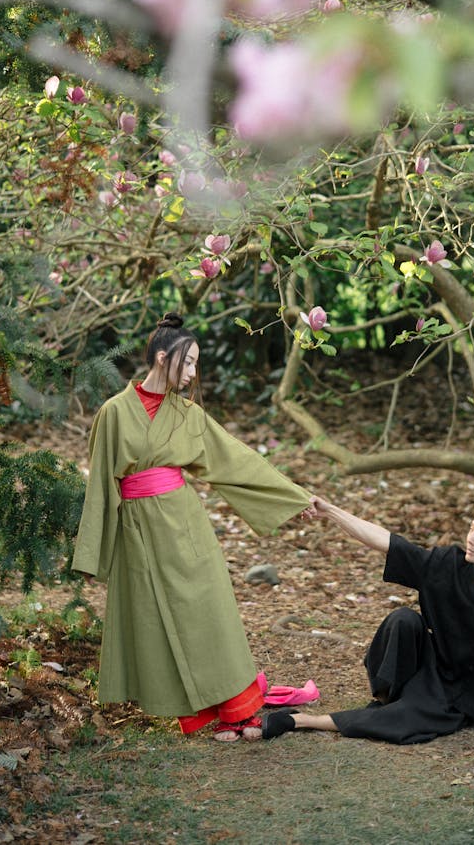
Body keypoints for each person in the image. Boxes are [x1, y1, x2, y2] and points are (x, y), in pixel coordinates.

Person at [72, 313, 313, 743]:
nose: (193, 373)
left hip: (184, 524)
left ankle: (237, 711)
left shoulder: (187, 414)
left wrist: (292, 498)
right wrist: (95, 551)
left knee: (210, 613)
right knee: (155, 620)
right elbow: (101, 486)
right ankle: (202, 712)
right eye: (188, 363)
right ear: (163, 358)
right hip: (137, 533)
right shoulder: (113, 413)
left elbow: (233, 461)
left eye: (196, 365)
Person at [263, 498, 474, 743]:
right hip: (438, 669)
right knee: (402, 620)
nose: (471, 538)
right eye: (471, 529)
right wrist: (330, 511)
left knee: (416, 716)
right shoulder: (449, 565)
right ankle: (385, 700)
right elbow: (388, 543)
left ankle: (301, 721)